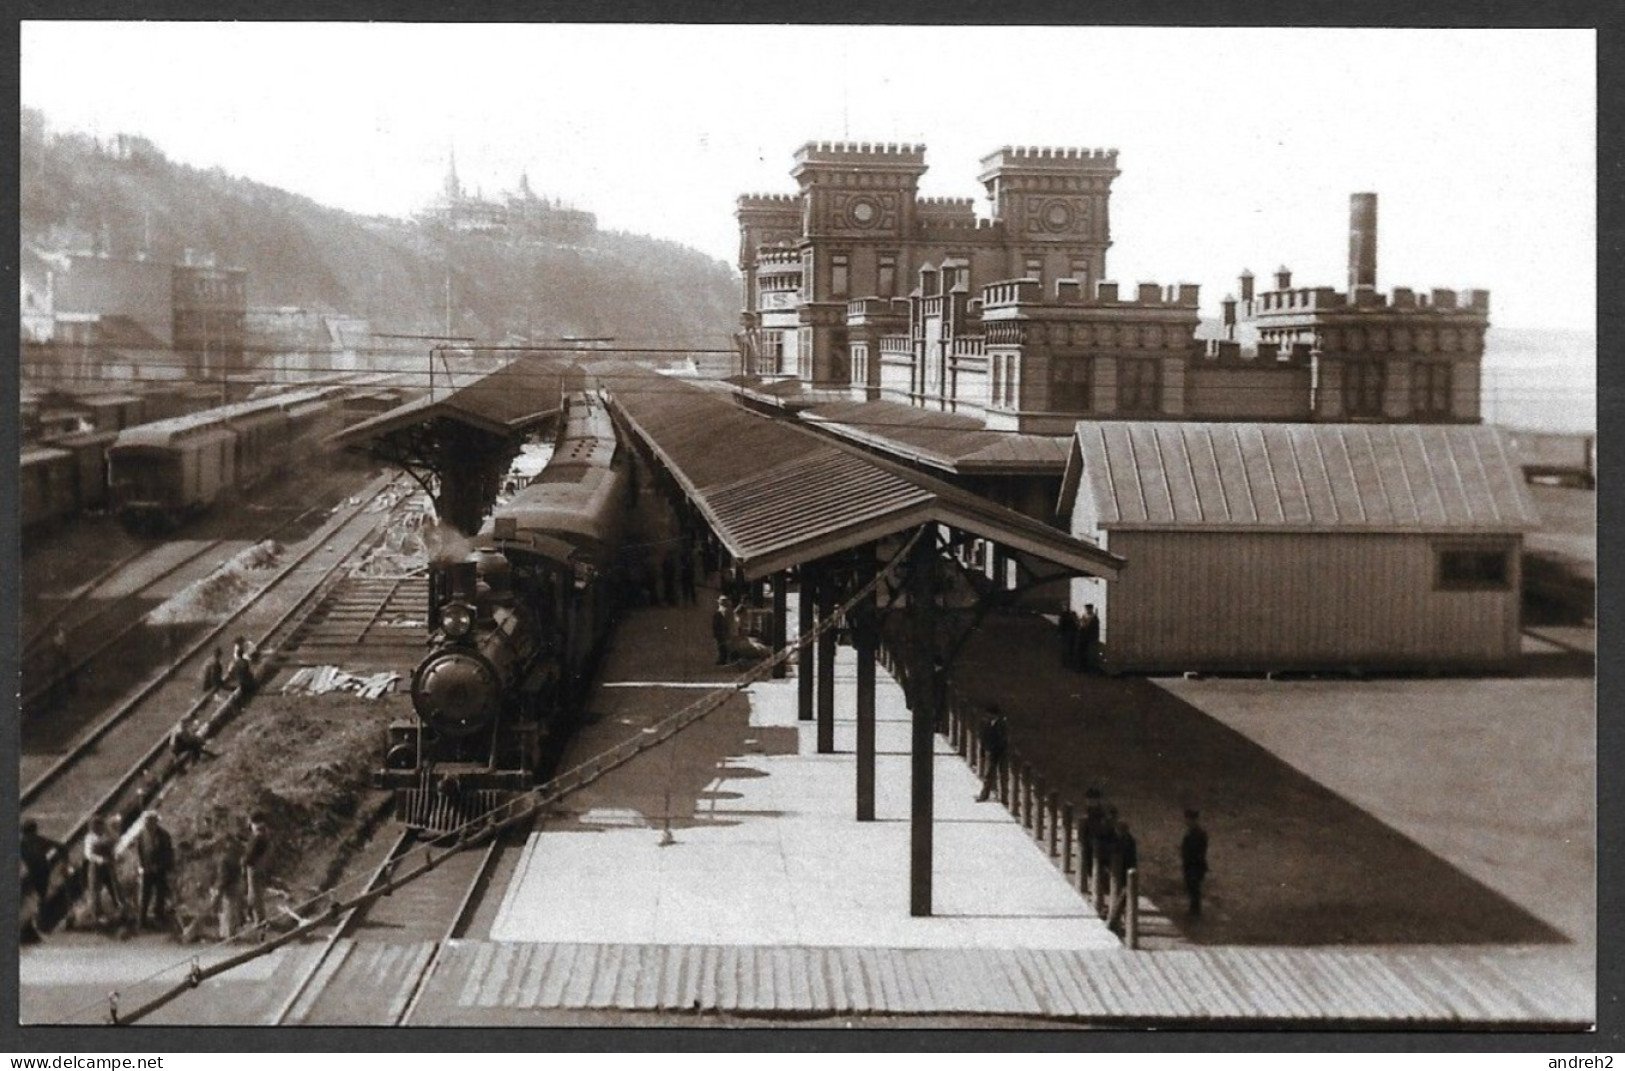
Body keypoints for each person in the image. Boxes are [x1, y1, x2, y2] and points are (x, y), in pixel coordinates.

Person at [20, 820, 62, 933]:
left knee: (39, 896)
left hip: (40, 872)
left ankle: (39, 922)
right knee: (37, 896)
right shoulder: (35, 840)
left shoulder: (31, 841)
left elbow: (59, 846)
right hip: (37, 871)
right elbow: (60, 846)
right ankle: (38, 922)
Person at [135, 812, 175, 930]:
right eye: (146, 821)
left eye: (151, 821)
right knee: (144, 895)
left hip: (160, 869)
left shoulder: (164, 835)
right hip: (146, 869)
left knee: (160, 894)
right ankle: (141, 922)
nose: (148, 824)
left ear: (155, 822)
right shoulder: (141, 835)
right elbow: (139, 852)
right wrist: (140, 866)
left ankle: (159, 918)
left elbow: (168, 853)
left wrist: (164, 866)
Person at [81, 817, 123, 924]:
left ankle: (120, 909)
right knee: (95, 890)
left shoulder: (107, 835)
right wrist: (99, 859)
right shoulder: (89, 838)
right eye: (94, 826)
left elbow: (117, 840)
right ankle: (97, 914)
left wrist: (108, 828)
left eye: (99, 826)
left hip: (109, 865)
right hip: (96, 866)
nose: (96, 828)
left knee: (114, 887)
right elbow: (88, 853)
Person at [1106, 818, 1138, 935]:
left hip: (1125, 873)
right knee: (1123, 898)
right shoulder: (1127, 840)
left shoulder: (1125, 841)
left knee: (1122, 898)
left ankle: (1114, 921)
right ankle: (1114, 921)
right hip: (1125, 873)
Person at [208, 839, 244, 940]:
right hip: (236, 884)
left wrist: (218, 889)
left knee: (227, 912)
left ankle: (228, 935)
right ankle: (233, 933)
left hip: (228, 888)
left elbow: (223, 877)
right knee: (233, 911)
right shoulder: (235, 858)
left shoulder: (223, 860)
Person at [975, 705, 1009, 802]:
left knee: (1001, 774)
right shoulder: (987, 723)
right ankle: (984, 795)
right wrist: (983, 750)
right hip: (990, 752)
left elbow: (1003, 739)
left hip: (999, 752)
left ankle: (1003, 797)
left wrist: (997, 749)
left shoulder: (1002, 724)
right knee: (988, 775)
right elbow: (984, 738)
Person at [242, 814, 270, 929]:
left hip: (253, 867)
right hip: (260, 866)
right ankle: (256, 917)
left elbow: (250, 855)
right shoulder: (264, 834)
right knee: (256, 894)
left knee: (254, 895)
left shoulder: (257, 837)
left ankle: (259, 920)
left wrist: (243, 861)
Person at [1181, 808, 1210, 918]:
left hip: (1195, 864)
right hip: (1191, 864)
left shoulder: (1198, 833)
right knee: (1191, 887)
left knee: (1194, 887)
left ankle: (1195, 910)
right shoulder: (1193, 832)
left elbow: (1200, 849)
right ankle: (1194, 909)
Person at [1079, 787, 1107, 891]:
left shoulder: (1101, 813)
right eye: (1089, 800)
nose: (1090, 802)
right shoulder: (1089, 812)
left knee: (1096, 864)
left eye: (1092, 800)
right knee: (1089, 863)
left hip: (1097, 842)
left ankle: (1099, 886)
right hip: (1089, 842)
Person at [1078, 604, 1101, 673]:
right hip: (1084, 637)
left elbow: (1095, 629)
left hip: (1090, 638)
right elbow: (1081, 625)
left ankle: (1089, 668)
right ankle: (1082, 667)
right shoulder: (1084, 616)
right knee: (1083, 652)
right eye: (1086, 609)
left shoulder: (1094, 618)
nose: (1087, 610)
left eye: (1088, 609)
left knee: (1090, 654)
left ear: (1091, 609)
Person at [712, 596, 735, 666]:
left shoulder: (723, 611)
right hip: (722, 631)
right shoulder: (727, 610)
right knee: (722, 645)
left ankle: (723, 660)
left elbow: (725, 622)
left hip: (721, 631)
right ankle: (724, 659)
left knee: (722, 645)